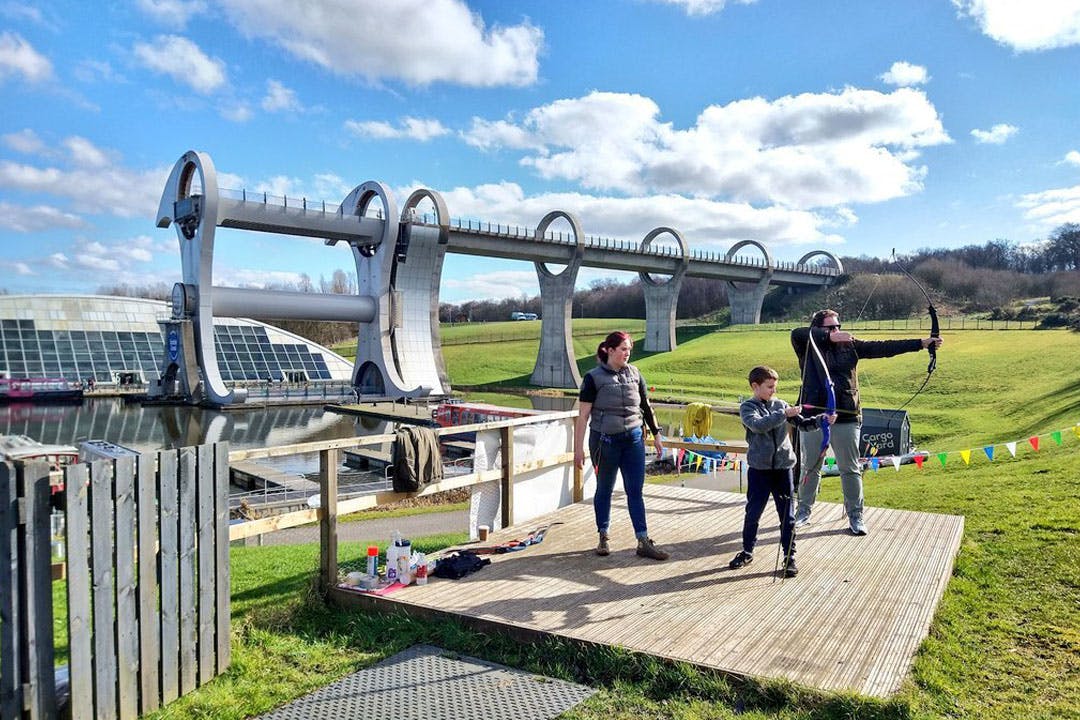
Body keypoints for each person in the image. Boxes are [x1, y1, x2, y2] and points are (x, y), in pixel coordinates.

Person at [791, 309, 944, 535]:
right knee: (810, 466)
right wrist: (829, 337)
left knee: (850, 468)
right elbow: (798, 332)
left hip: (846, 415)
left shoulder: (850, 346)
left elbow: (883, 348)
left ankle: (856, 515)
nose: (837, 330)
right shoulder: (806, 344)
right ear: (818, 328)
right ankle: (803, 511)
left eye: (838, 326)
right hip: (814, 416)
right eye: (831, 327)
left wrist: (921, 343)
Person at [729, 366, 833, 578]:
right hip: (759, 470)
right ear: (755, 386)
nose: (773, 391)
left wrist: (822, 420)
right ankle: (747, 551)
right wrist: (784, 414)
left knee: (788, 516)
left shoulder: (780, 405)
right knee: (753, 513)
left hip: (784, 469)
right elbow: (758, 425)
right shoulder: (747, 407)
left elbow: (803, 424)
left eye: (775, 387)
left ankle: (789, 557)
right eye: (769, 387)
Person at [573, 331, 669, 561]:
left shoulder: (635, 373)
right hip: (605, 442)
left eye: (629, 350)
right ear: (610, 350)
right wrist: (577, 449)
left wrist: (656, 433)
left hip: (633, 440)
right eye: (623, 349)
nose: (627, 353)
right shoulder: (593, 378)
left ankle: (643, 540)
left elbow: (646, 406)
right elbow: (583, 416)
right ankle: (603, 535)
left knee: (635, 490)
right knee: (604, 488)